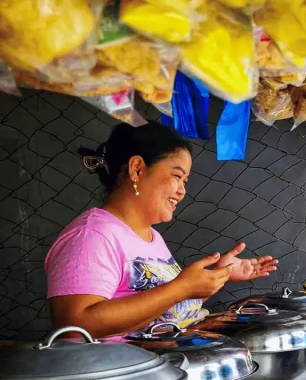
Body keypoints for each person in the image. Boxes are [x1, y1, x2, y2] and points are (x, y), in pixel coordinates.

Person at [45, 122, 278, 338]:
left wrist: (216, 275)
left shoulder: (152, 238)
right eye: (177, 176)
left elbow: (163, 311)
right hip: (115, 378)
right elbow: (75, 327)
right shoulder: (92, 236)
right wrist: (182, 287)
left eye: (185, 181)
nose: (182, 191)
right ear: (137, 169)